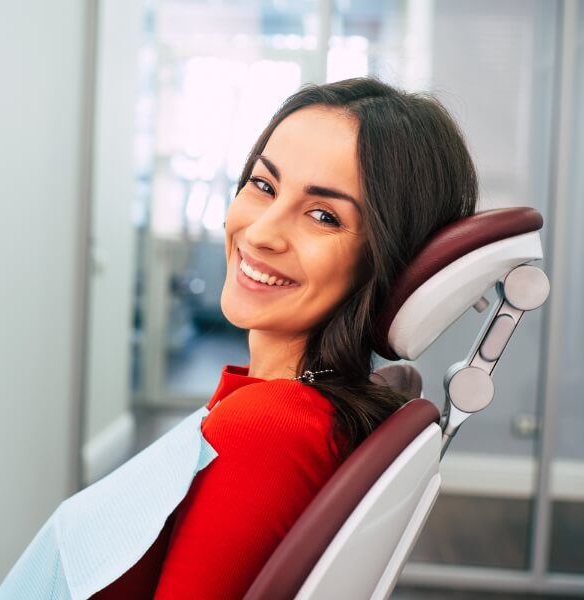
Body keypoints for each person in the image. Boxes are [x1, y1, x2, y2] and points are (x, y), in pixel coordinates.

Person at [92, 75, 478, 598]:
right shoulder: (290, 407)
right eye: (263, 185)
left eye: (324, 216)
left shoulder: (268, 429)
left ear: (387, 259)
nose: (261, 233)